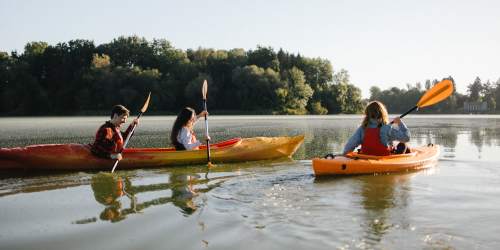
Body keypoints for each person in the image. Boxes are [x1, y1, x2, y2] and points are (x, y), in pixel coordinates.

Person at [342, 101, 410, 156]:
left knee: (393, 145)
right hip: (383, 158)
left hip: (366, 156)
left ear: (367, 114)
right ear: (383, 114)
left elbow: (350, 145)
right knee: (403, 144)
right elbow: (406, 138)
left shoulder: (362, 128)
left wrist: (344, 155)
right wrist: (400, 123)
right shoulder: (387, 128)